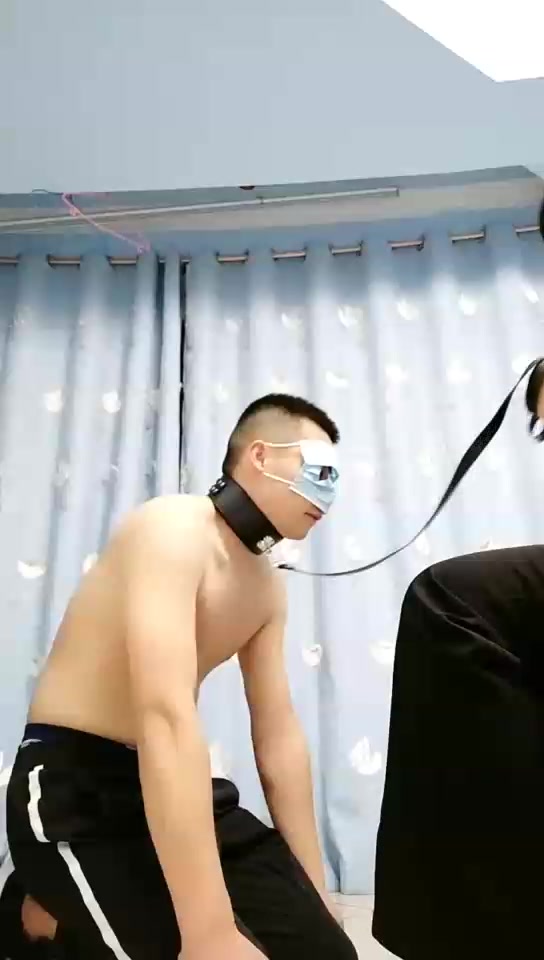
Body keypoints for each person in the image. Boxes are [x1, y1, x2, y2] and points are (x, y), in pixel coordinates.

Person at [7, 394, 356, 960]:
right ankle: (37, 914)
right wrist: (208, 932)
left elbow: (279, 740)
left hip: (172, 784)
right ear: (260, 456)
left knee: (328, 953)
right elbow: (165, 715)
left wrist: (315, 893)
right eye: (320, 470)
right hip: (74, 781)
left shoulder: (266, 588)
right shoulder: (172, 527)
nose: (329, 493)